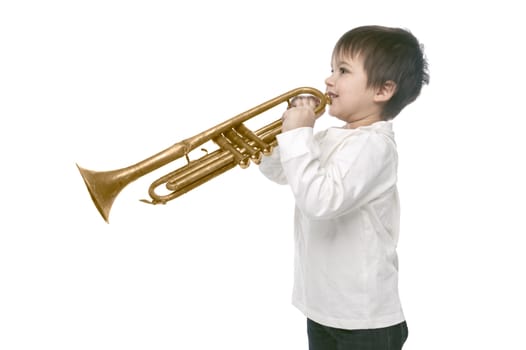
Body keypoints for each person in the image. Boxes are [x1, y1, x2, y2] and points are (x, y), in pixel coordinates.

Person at [259, 25, 429, 349]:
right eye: (331, 69)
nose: (329, 80)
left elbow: (319, 201)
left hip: (364, 317)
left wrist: (298, 136)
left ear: (382, 90)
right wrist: (274, 139)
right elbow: (284, 173)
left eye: (344, 70)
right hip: (323, 307)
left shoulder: (374, 147)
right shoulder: (331, 136)